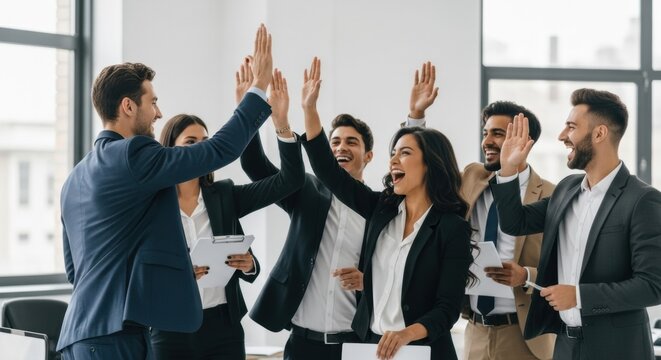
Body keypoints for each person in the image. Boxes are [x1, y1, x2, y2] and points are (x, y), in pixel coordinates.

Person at [57, 24, 273, 359]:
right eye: (153, 102)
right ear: (129, 106)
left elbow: (76, 270)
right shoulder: (133, 155)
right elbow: (217, 151)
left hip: (79, 335)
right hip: (116, 336)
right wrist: (257, 89)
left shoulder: (75, 178)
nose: (158, 113)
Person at [301, 58, 473, 360]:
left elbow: (447, 309)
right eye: (392, 154)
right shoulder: (382, 209)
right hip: (370, 348)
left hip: (423, 352)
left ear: (430, 165)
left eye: (404, 154)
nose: (393, 160)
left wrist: (408, 332)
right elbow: (328, 172)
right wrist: (309, 110)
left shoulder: (451, 227)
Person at [490, 89, 661, 360]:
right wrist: (509, 169)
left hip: (619, 350)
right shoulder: (566, 190)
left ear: (599, 134)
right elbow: (515, 222)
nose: (561, 136)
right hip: (566, 347)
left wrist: (579, 296)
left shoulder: (642, 200)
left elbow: (653, 286)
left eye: (571, 127)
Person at [405, 62, 556, 359]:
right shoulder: (472, 177)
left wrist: (526, 275)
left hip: (525, 338)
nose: (487, 141)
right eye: (485, 133)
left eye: (498, 134)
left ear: (524, 141)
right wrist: (416, 118)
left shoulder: (552, 195)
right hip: (474, 332)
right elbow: (426, 172)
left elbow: (568, 269)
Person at [150, 70, 304, 360]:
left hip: (223, 328)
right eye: (190, 142)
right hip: (170, 328)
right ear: (170, 150)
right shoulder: (152, 204)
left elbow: (290, 181)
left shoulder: (225, 195)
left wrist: (282, 126)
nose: (202, 149)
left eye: (206, 141)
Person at [241, 58, 372, 360]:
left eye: (351, 142)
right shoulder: (308, 192)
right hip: (302, 344)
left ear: (368, 156)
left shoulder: (378, 208)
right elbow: (255, 166)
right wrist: (253, 114)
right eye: (335, 141)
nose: (341, 147)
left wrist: (369, 280)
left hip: (356, 344)